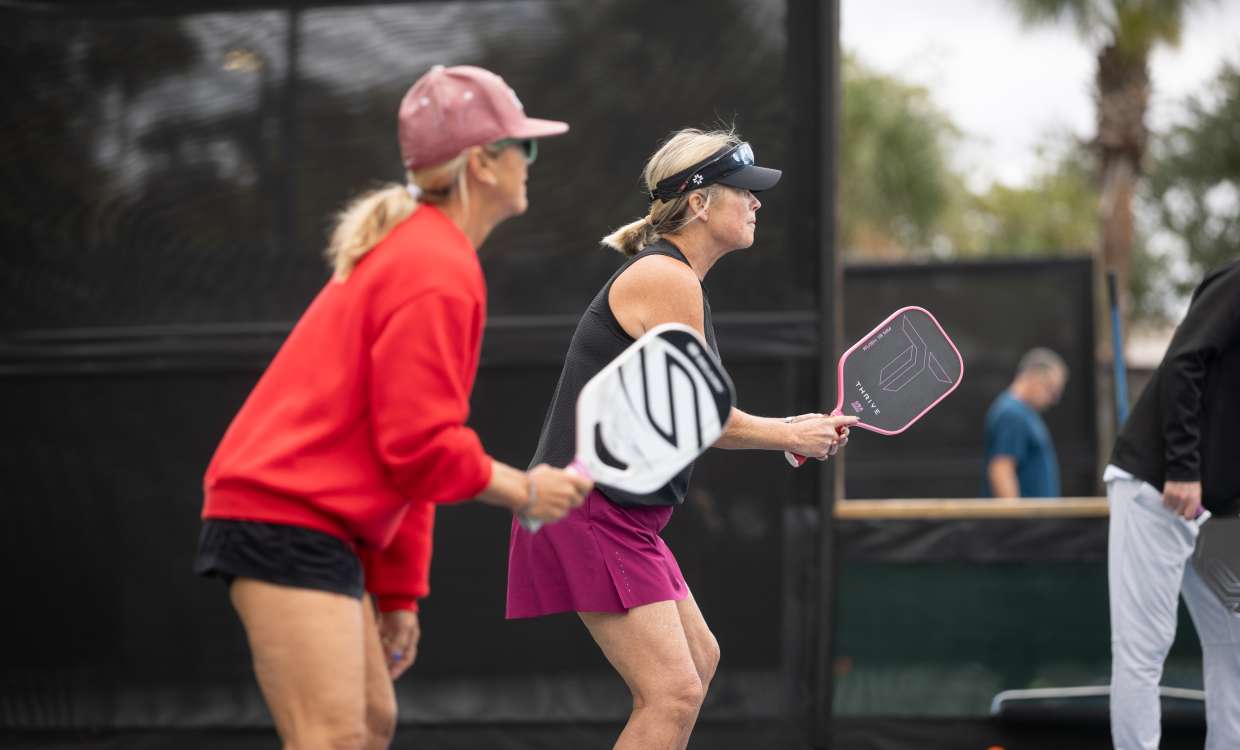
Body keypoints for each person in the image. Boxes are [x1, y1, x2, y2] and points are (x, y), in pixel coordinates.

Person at [192, 64, 593, 750]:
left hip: (317, 525)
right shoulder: (435, 265)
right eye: (522, 145)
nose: (532, 160)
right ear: (482, 164)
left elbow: (410, 452)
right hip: (280, 516)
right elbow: (422, 446)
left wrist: (400, 594)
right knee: (333, 738)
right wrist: (525, 490)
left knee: (370, 726)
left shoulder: (433, 256)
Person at [505, 128, 858, 750]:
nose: (757, 203)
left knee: (698, 660)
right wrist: (787, 432)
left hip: (620, 514)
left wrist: (788, 435)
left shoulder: (678, 280)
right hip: (588, 507)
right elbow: (699, 415)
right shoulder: (666, 279)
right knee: (673, 691)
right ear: (698, 203)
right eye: (743, 191)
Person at [1105, 259, 1240, 750]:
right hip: (1157, 487)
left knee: (1236, 646)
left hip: (1221, 511)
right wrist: (1183, 468)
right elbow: (1185, 359)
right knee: (1144, 650)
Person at [981, 347, 1068, 498]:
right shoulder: (1011, 414)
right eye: (1051, 388)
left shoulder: (1022, 412)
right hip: (1026, 520)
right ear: (1033, 376)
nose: (1054, 399)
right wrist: (1017, 517)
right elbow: (1002, 469)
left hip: (1034, 518)